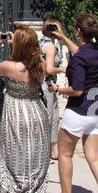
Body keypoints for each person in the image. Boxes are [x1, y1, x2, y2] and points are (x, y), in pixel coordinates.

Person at [47, 12, 98, 193]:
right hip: (97, 110)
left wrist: (58, 89)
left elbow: (76, 89)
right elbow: (82, 52)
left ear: (78, 31)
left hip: (78, 110)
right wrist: (63, 38)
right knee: (95, 158)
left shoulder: (78, 59)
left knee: (65, 155)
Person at [0, 26, 53, 193]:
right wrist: (19, 43)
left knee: (11, 159)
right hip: (37, 114)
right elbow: (30, 57)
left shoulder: (11, 67)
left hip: (16, 114)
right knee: (35, 160)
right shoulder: (39, 64)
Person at [41, 16, 68, 161]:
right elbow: (50, 69)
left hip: (50, 85)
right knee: (49, 117)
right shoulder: (50, 47)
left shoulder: (47, 43)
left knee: (55, 117)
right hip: (46, 85)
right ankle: (46, 149)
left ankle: (53, 148)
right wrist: (63, 69)